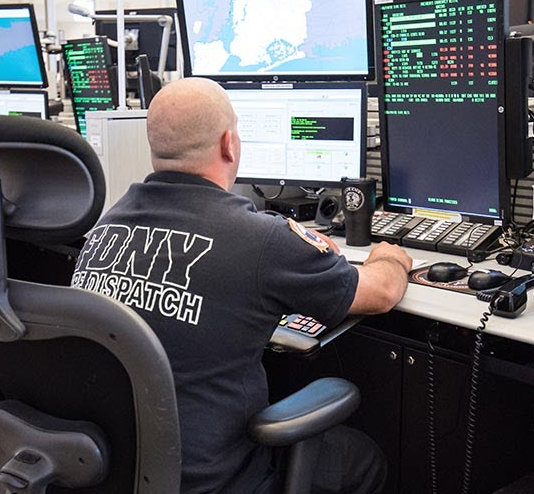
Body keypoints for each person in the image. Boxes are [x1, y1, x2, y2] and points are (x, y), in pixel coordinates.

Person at [71, 77, 412, 494]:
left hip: (117, 468)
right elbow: (380, 294)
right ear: (229, 144)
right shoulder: (260, 240)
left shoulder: (105, 227)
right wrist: (389, 256)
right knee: (361, 458)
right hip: (217, 479)